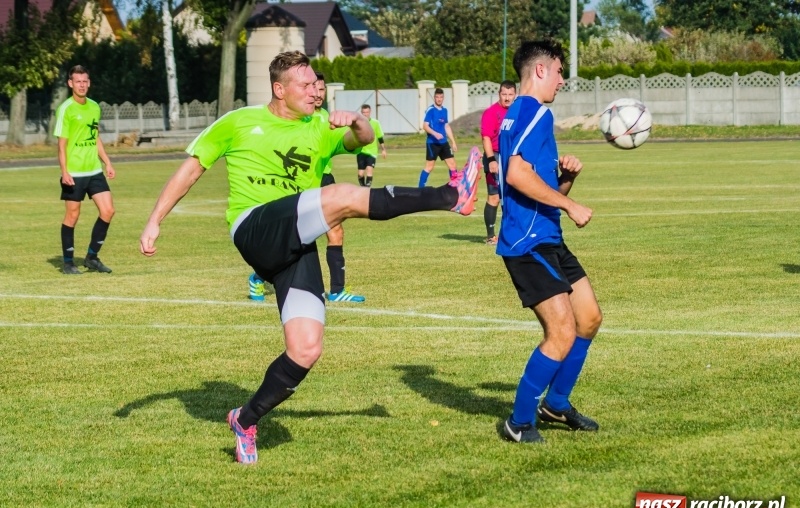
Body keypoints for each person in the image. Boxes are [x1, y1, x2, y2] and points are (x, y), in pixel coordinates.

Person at [139, 50, 481, 464]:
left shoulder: (319, 126)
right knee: (338, 196)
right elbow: (191, 169)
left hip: (294, 244)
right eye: (304, 85)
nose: (314, 92)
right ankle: (450, 195)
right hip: (254, 228)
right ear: (279, 89)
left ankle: (245, 420)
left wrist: (355, 120)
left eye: (315, 85)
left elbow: (364, 139)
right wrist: (155, 220)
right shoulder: (239, 121)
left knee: (306, 348)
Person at [496, 40, 603, 444]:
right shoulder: (533, 110)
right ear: (541, 70)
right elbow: (517, 176)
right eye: (559, 71)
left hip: (547, 236)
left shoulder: (519, 113)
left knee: (588, 318)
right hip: (527, 243)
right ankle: (519, 422)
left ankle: (556, 403)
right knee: (560, 332)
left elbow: (534, 180)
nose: (562, 79)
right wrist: (571, 203)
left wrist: (567, 179)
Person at [249, 72, 365, 303]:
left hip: (324, 180)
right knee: (293, 240)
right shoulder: (300, 118)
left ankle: (337, 290)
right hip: (300, 182)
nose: (318, 94)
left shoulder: (328, 119)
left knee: (336, 232)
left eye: (321, 89)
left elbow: (348, 142)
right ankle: (258, 276)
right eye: (314, 88)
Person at [54, 65, 116, 274]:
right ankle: (68, 263)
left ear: (88, 83)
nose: (81, 85)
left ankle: (92, 257)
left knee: (108, 211)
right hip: (74, 172)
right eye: (77, 81)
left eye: (84, 81)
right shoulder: (66, 109)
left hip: (94, 170)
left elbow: (95, 136)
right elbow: (61, 145)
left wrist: (106, 161)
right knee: (72, 216)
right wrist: (64, 172)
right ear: (70, 83)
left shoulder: (94, 107)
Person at [480, 80, 516, 245]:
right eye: (504, 94)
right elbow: (486, 138)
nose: (507, 98)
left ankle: (510, 233)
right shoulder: (491, 113)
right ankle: (490, 236)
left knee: (512, 197)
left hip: (512, 157)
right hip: (494, 156)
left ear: (515, 95)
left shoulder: (518, 112)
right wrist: (491, 160)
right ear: (499, 94)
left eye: (510, 94)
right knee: (494, 197)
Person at [418, 88, 458, 187]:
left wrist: (453, 142)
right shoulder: (431, 110)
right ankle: (420, 189)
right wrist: (435, 134)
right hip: (432, 143)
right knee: (429, 167)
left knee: (452, 165)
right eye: (437, 97)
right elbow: (425, 126)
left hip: (443, 142)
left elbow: (446, 126)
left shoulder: (445, 110)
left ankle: (455, 188)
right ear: (434, 98)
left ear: (443, 98)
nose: (439, 99)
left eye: (441, 97)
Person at [357, 104, 386, 187]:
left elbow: (380, 137)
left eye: (367, 112)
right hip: (361, 151)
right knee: (360, 174)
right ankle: (363, 188)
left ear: (370, 112)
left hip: (372, 152)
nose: (365, 114)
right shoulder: (358, 123)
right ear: (361, 113)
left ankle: (367, 189)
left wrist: (383, 149)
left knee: (369, 170)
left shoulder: (375, 123)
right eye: (363, 112)